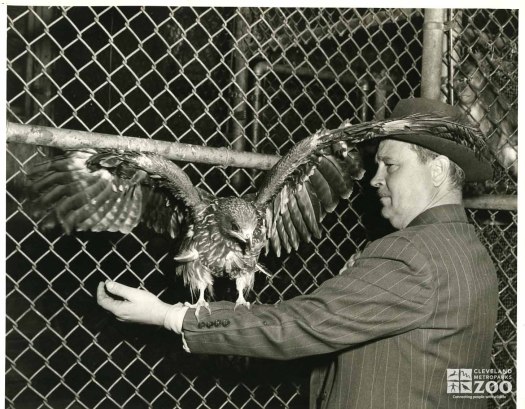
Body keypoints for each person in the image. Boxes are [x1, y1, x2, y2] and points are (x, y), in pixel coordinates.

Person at [97, 98, 498, 409]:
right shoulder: (471, 255)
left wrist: (167, 315)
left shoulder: (411, 256)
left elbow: (300, 326)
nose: (375, 179)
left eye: (390, 165)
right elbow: (471, 377)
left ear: (439, 170)